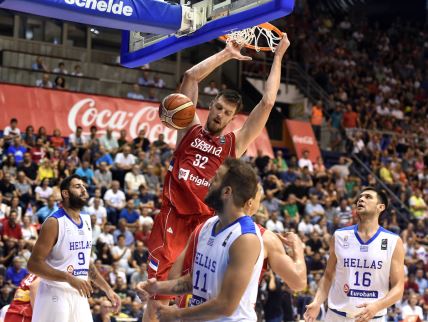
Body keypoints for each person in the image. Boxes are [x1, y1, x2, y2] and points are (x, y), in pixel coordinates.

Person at [144, 34, 290, 321]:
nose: (220, 115)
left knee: (192, 299)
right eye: (218, 108)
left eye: (227, 113)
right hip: (173, 219)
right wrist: (226, 53)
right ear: (209, 107)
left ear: (232, 119)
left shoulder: (233, 145)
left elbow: (268, 102)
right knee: (156, 296)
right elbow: (190, 77)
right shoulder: (189, 128)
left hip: (205, 226)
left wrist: (279, 56)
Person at [137, 158, 264, 321]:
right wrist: (156, 287)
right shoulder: (208, 225)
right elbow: (193, 280)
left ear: (227, 192)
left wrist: (177, 314)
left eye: (216, 178)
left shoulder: (245, 238)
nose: (209, 181)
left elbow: (226, 305)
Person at [169, 183, 307, 309]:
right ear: (250, 203)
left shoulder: (205, 226)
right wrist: (298, 248)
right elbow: (298, 283)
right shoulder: (264, 238)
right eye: (260, 199)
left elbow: (174, 275)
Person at [27, 174, 121, 322]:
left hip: (79, 294)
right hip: (55, 293)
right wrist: (67, 277)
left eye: (84, 186)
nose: (84, 190)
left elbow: (86, 263)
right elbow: (33, 264)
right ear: (65, 193)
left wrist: (107, 289)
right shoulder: (54, 222)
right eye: (78, 186)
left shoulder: (87, 219)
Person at [304, 187, 405, 322]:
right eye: (360, 197)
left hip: (372, 317)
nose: (361, 199)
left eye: (368, 197)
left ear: (380, 207)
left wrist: (377, 306)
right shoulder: (340, 236)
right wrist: (317, 302)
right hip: (336, 316)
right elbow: (328, 276)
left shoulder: (393, 241)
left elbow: (398, 287)